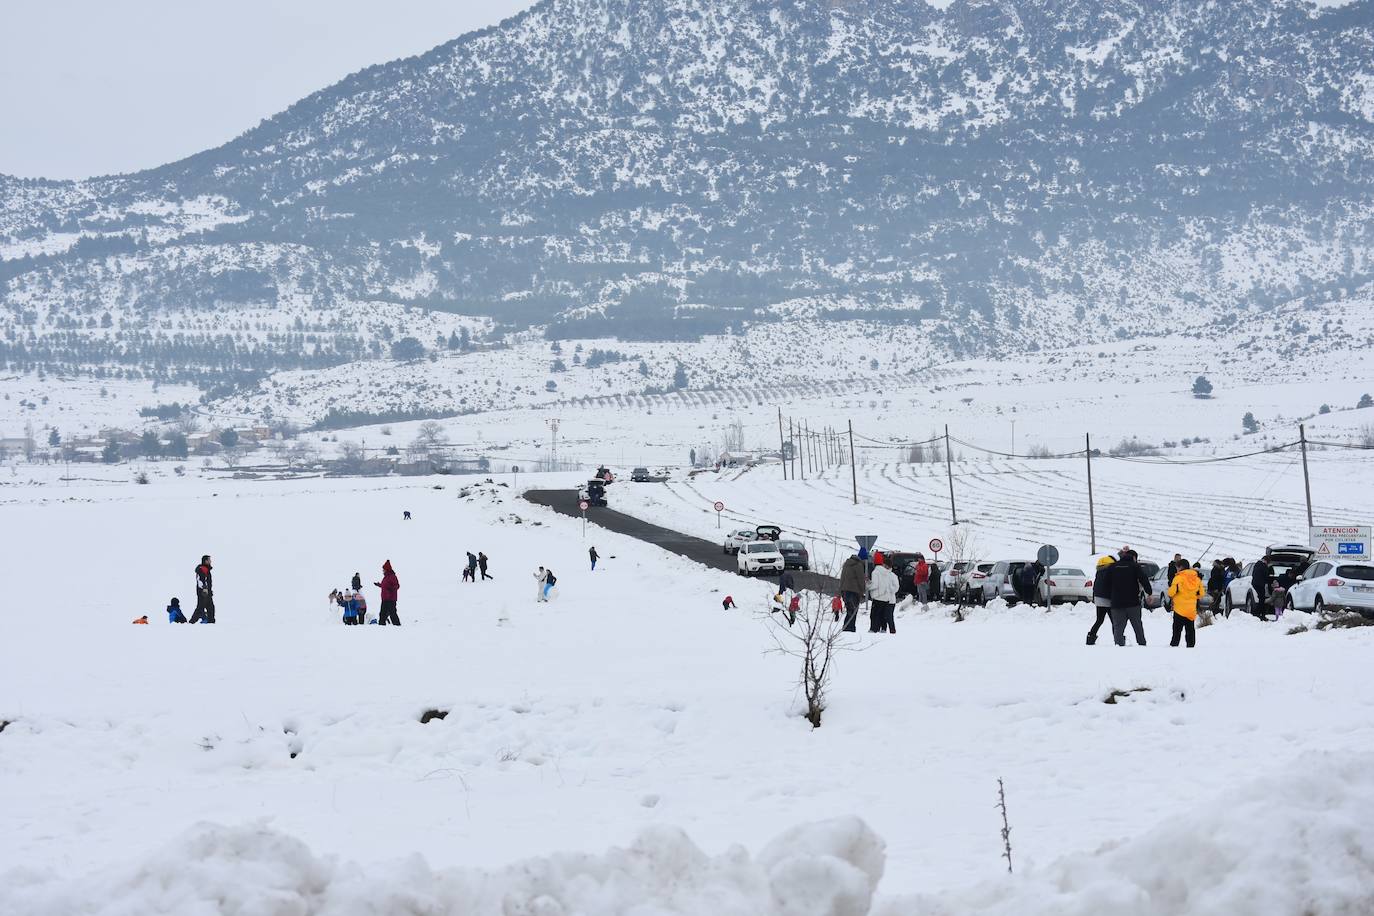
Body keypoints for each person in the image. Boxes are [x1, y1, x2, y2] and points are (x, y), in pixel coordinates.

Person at [1109, 548, 1151, 646]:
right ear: (1133, 557)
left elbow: (1106, 583)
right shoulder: (1135, 566)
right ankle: (1141, 644)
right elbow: (1144, 579)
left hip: (1117, 603)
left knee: (1118, 628)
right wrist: (1149, 592)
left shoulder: (1113, 567)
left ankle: (1118, 645)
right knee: (1137, 626)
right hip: (1133, 602)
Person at [1168, 560, 1204, 647]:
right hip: (1191, 609)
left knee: (1177, 629)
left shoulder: (1178, 578)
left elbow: (1171, 593)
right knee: (1190, 629)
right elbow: (1201, 593)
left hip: (1179, 609)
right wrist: (1193, 597)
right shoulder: (1197, 579)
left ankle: (1174, 644)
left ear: (1180, 567)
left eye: (1177, 568)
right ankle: (1191, 645)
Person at [1087, 556, 1114, 645]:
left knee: (1099, 620)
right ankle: (1118, 638)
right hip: (1108, 599)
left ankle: (1091, 637)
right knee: (1114, 621)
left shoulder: (1099, 572)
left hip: (1099, 599)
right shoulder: (1110, 572)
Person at [869, 558, 899, 634]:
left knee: (882, 616)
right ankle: (883, 629)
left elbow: (875, 585)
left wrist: (868, 586)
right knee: (884, 616)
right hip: (886, 598)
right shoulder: (886, 573)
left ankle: (878, 629)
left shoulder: (879, 573)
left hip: (885, 598)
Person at [839, 554, 867, 632]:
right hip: (854, 591)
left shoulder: (846, 564)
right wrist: (863, 590)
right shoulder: (858, 565)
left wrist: (841, 590)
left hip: (845, 590)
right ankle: (849, 628)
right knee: (853, 610)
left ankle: (847, 627)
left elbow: (842, 577)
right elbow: (861, 579)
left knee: (849, 609)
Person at [189, 555, 215, 624]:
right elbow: (200, 580)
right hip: (203, 592)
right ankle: (191, 622)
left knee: (210, 607)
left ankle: (211, 622)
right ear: (206, 561)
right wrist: (205, 589)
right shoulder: (202, 569)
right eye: (209, 560)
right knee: (200, 608)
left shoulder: (206, 569)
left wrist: (209, 590)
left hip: (207, 592)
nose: (210, 561)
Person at [375, 560, 400, 625]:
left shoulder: (392, 576)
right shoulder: (386, 577)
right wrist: (379, 585)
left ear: (387, 569)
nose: (382, 571)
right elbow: (385, 586)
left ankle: (398, 626)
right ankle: (381, 626)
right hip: (385, 599)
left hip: (391, 599)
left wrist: (390, 589)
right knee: (382, 613)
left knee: (392, 613)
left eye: (383, 569)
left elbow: (397, 586)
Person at [1251, 555, 1273, 619]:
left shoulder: (1257, 564)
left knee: (1261, 598)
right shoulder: (1264, 565)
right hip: (1260, 584)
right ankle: (1259, 614)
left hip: (1255, 583)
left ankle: (1259, 614)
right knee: (1262, 599)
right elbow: (1266, 575)